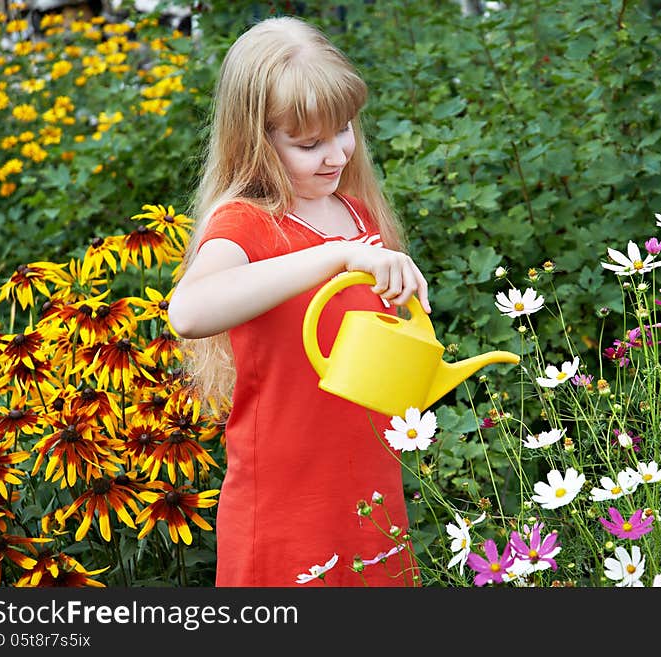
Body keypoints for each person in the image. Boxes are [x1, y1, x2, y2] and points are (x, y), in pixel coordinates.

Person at [167, 16, 430, 587]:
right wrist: (337, 257)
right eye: (309, 144)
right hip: (287, 502)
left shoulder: (358, 215)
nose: (335, 154)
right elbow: (189, 312)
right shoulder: (244, 225)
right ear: (256, 142)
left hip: (368, 489)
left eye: (344, 130)